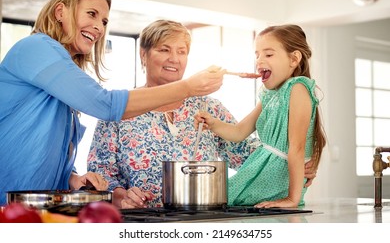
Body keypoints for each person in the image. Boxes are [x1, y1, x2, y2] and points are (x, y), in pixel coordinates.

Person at [0, 0, 225, 206]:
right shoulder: (36, 48)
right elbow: (106, 105)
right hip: (8, 200)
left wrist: (74, 178)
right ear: (60, 12)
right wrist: (188, 87)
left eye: (104, 21)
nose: (99, 27)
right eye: (91, 14)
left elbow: (47, 149)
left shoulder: (59, 73)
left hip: (37, 206)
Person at [87, 20, 318, 209]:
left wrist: (294, 161)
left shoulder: (210, 108)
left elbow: (247, 153)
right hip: (141, 220)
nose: (174, 59)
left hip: (200, 220)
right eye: (164, 49)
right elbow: (100, 174)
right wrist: (122, 196)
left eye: (181, 51)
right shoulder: (119, 109)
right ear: (143, 54)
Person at [195, 24, 326, 208]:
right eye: (257, 55)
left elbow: (297, 147)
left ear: (294, 59)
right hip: (261, 168)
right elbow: (239, 132)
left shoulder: (298, 88)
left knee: (214, 200)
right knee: (210, 200)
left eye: (269, 54)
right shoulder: (268, 94)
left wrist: (292, 199)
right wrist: (213, 123)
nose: (259, 60)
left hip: (278, 177)